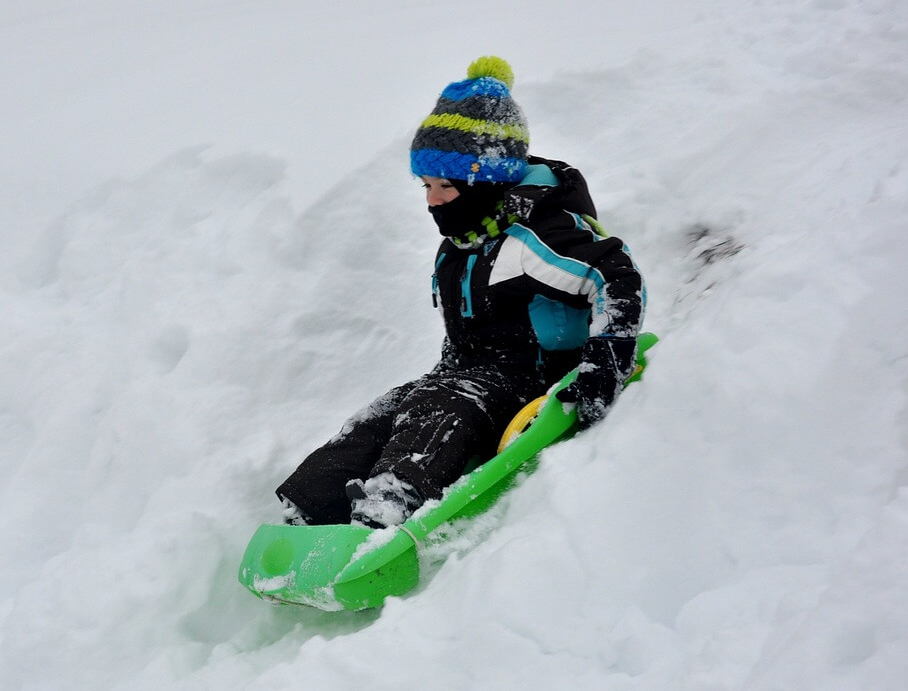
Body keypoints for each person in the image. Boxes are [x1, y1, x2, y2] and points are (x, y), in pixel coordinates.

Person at [275, 56, 645, 529]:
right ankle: (305, 509)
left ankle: (385, 512)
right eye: (425, 185)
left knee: (443, 405)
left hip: (540, 376)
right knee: (387, 411)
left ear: (484, 180)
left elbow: (616, 278)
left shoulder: (532, 240)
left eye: (445, 185)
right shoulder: (461, 244)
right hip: (471, 373)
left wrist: (604, 365)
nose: (431, 199)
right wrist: (441, 376)